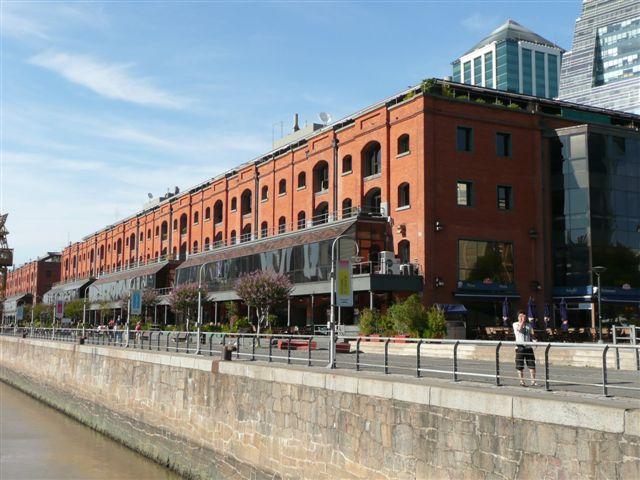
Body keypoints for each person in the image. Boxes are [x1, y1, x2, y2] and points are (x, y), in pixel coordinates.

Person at [513, 310, 538, 387]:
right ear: (517, 317)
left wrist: (535, 340)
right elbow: (519, 329)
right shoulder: (515, 324)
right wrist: (522, 322)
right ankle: (522, 381)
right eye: (520, 316)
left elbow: (531, 334)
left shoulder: (529, 325)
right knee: (520, 365)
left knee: (532, 364)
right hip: (519, 347)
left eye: (523, 316)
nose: (522, 318)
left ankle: (533, 381)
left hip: (528, 347)